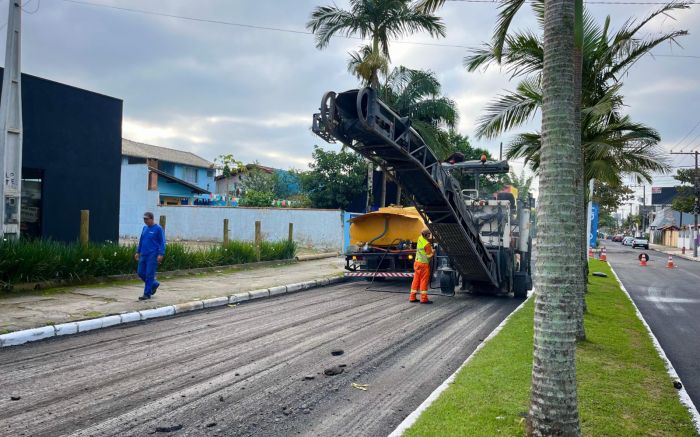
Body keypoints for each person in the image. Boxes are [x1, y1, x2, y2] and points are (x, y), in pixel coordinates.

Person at [135, 212, 166, 300]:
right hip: (144, 254)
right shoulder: (144, 228)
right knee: (140, 272)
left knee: (149, 274)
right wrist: (138, 252)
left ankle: (147, 294)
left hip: (153, 255)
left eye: (147, 219)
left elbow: (162, 242)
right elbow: (141, 240)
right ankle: (154, 284)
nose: (145, 221)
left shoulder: (158, 229)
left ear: (152, 219)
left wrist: (161, 254)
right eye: (144, 219)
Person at [409, 227, 434, 304]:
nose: (430, 236)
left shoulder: (419, 239)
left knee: (416, 280)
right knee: (424, 281)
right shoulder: (427, 244)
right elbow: (429, 256)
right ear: (426, 235)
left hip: (417, 263)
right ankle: (424, 299)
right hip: (423, 265)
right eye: (429, 234)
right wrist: (433, 251)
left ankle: (412, 297)